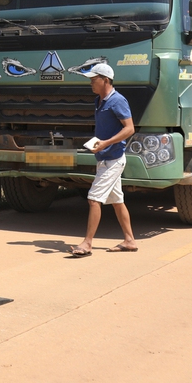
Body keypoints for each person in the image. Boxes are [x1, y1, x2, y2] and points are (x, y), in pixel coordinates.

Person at [70, 63, 137, 256]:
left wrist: (106, 143)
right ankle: (130, 240)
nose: (91, 83)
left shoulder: (118, 101)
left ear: (105, 80)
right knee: (117, 201)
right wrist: (98, 143)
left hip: (113, 159)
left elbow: (129, 128)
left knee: (93, 199)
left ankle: (87, 244)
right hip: (104, 157)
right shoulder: (99, 100)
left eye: (94, 79)